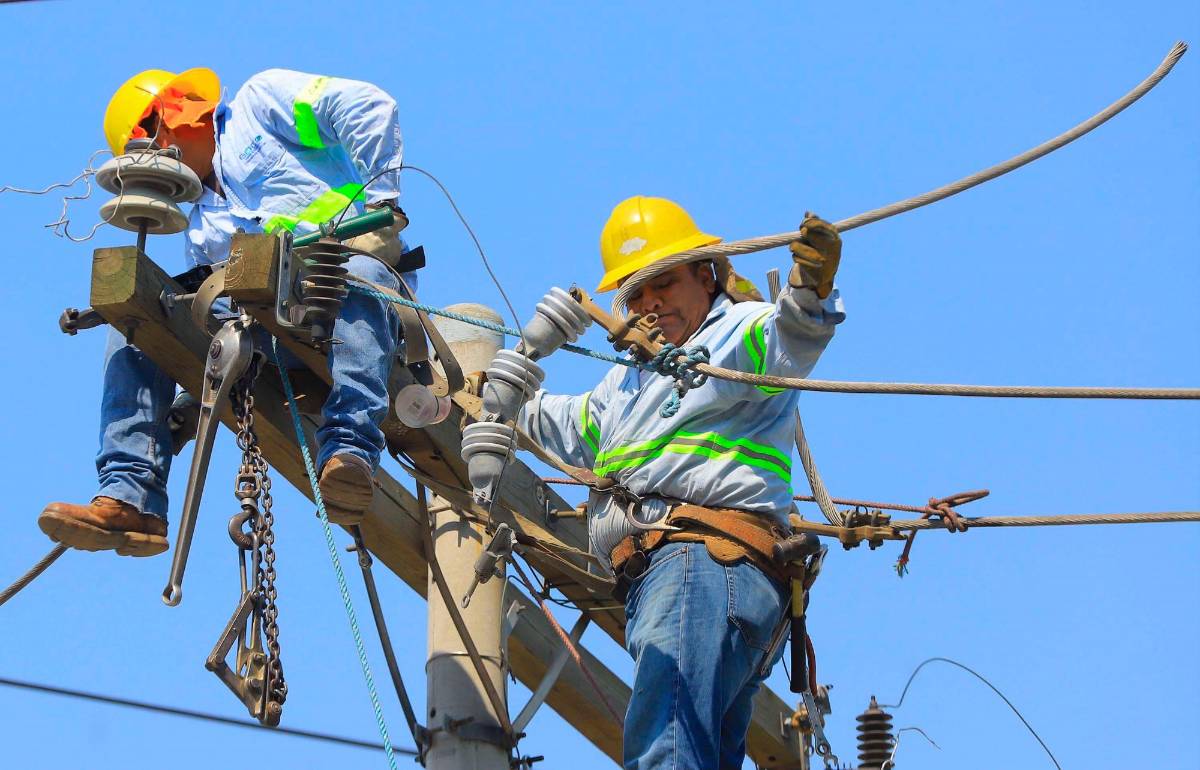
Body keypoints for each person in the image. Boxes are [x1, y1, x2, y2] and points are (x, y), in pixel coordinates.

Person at [518, 195, 845, 769]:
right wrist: (492, 389)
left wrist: (808, 290)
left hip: (700, 564)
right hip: (691, 578)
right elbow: (566, 425)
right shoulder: (630, 380)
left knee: (665, 750)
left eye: (664, 283)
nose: (649, 303)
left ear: (706, 275)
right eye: (635, 293)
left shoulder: (734, 330)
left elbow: (790, 337)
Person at [40, 67, 413, 556]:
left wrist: (382, 204)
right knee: (141, 321)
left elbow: (368, 106)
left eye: (150, 145)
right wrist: (185, 400)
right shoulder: (202, 230)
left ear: (170, 117)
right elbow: (215, 326)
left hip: (337, 291)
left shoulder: (259, 105)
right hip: (275, 336)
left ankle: (350, 454)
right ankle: (131, 497)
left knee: (357, 275)